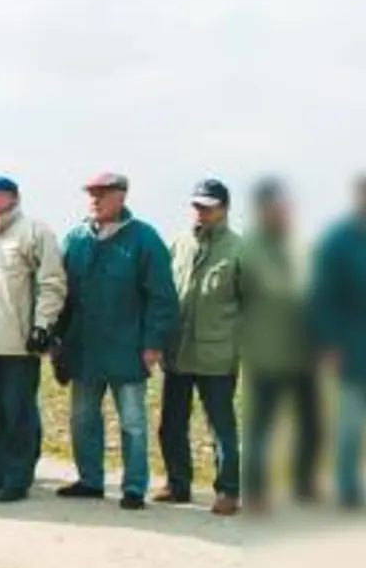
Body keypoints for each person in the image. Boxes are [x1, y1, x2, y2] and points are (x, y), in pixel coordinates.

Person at [53, 173, 178, 510]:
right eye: (91, 193)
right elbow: (61, 294)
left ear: (121, 196)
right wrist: (57, 340)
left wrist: (153, 343)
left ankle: (134, 487)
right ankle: (90, 480)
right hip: (84, 348)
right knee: (83, 419)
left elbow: (162, 297)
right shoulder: (76, 239)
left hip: (128, 348)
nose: (95, 199)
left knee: (133, 423)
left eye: (103, 193)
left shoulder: (144, 239)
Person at [0, 176, 66, 503]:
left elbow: (52, 282)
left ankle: (18, 478)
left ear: (12, 197)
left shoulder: (35, 232)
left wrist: (43, 325)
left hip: (18, 344)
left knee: (17, 412)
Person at [157, 180, 247, 515]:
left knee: (221, 427)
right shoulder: (178, 244)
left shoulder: (240, 251)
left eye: (208, 206)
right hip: (177, 353)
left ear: (224, 208)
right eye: (196, 205)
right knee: (171, 424)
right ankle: (177, 484)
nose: (201, 212)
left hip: (217, 356)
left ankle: (228, 491)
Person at [239, 179, 320, 509]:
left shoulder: (296, 245)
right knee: (262, 428)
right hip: (267, 354)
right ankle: (256, 493)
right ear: (264, 209)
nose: (285, 211)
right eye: (278, 206)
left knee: (313, 424)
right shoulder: (253, 248)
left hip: (302, 354)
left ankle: (303, 484)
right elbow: (281, 291)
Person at [311, 174, 366, 509]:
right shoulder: (339, 241)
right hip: (353, 350)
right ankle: (347, 489)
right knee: (349, 424)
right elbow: (323, 297)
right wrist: (330, 344)